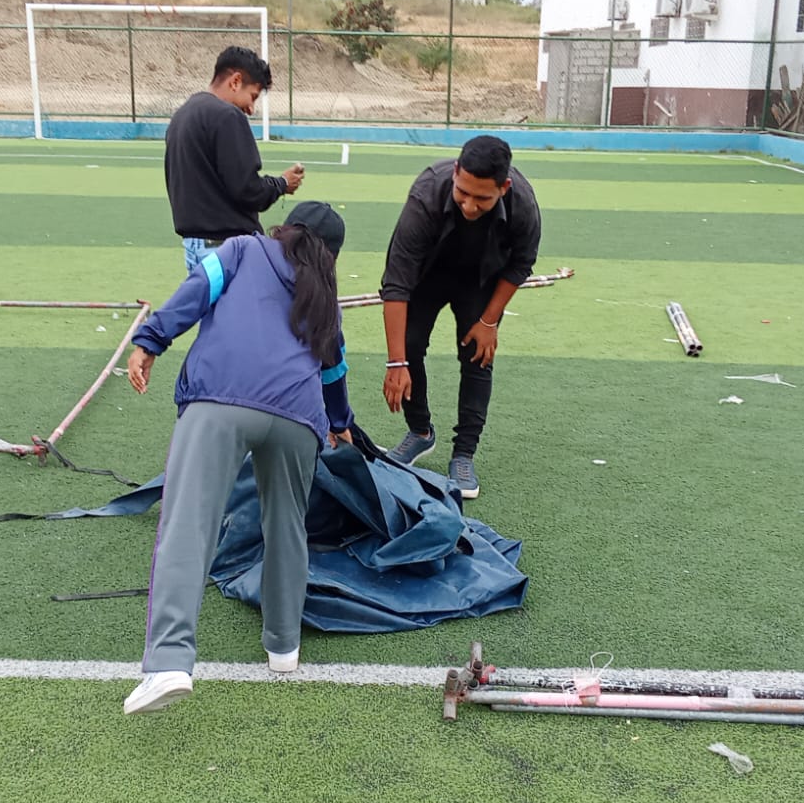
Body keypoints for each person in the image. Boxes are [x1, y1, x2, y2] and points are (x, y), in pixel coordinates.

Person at [121, 201, 353, 715]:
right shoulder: (327, 300)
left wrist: (149, 341)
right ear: (330, 256)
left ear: (285, 228)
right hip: (298, 418)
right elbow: (334, 370)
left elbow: (195, 292)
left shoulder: (241, 249)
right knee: (287, 527)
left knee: (189, 524)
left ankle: (170, 662)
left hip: (220, 401)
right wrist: (340, 423)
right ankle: (283, 647)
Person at [377, 135, 541, 499]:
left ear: (504, 188)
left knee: (477, 356)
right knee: (409, 345)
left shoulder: (523, 203)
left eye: (482, 198)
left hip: (482, 278)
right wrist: (396, 362)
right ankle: (420, 432)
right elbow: (396, 282)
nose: (469, 205)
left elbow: (521, 263)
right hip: (428, 274)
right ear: (455, 172)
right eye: (462, 192)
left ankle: (464, 453)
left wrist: (489, 322)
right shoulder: (426, 195)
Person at [164, 45, 306, 272]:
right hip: (226, 248)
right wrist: (282, 183)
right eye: (253, 96)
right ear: (236, 81)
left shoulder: (183, 114)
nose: (251, 108)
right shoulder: (226, 116)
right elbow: (248, 190)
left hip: (195, 246)